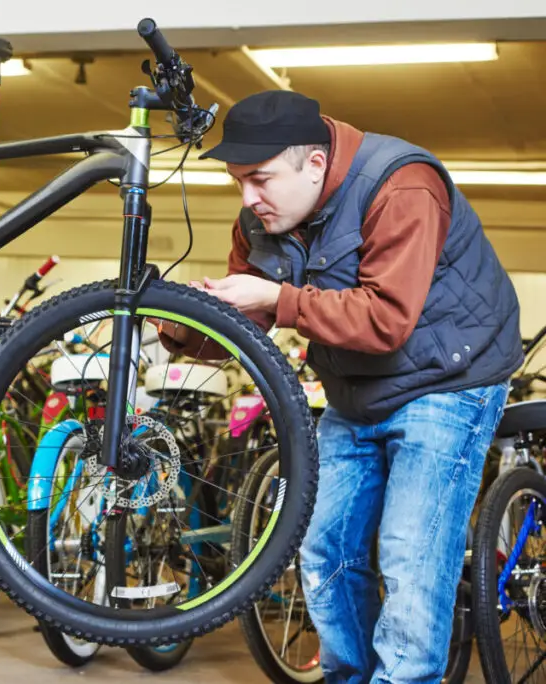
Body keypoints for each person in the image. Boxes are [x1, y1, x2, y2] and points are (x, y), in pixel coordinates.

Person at [158, 90, 522, 683]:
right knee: (324, 549)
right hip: (355, 390)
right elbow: (241, 322)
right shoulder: (262, 218)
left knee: (409, 556)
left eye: (261, 179)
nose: (248, 198)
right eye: (237, 182)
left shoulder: (400, 186)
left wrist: (279, 299)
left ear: (316, 165)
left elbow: (386, 319)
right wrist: (178, 323)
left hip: (451, 379)